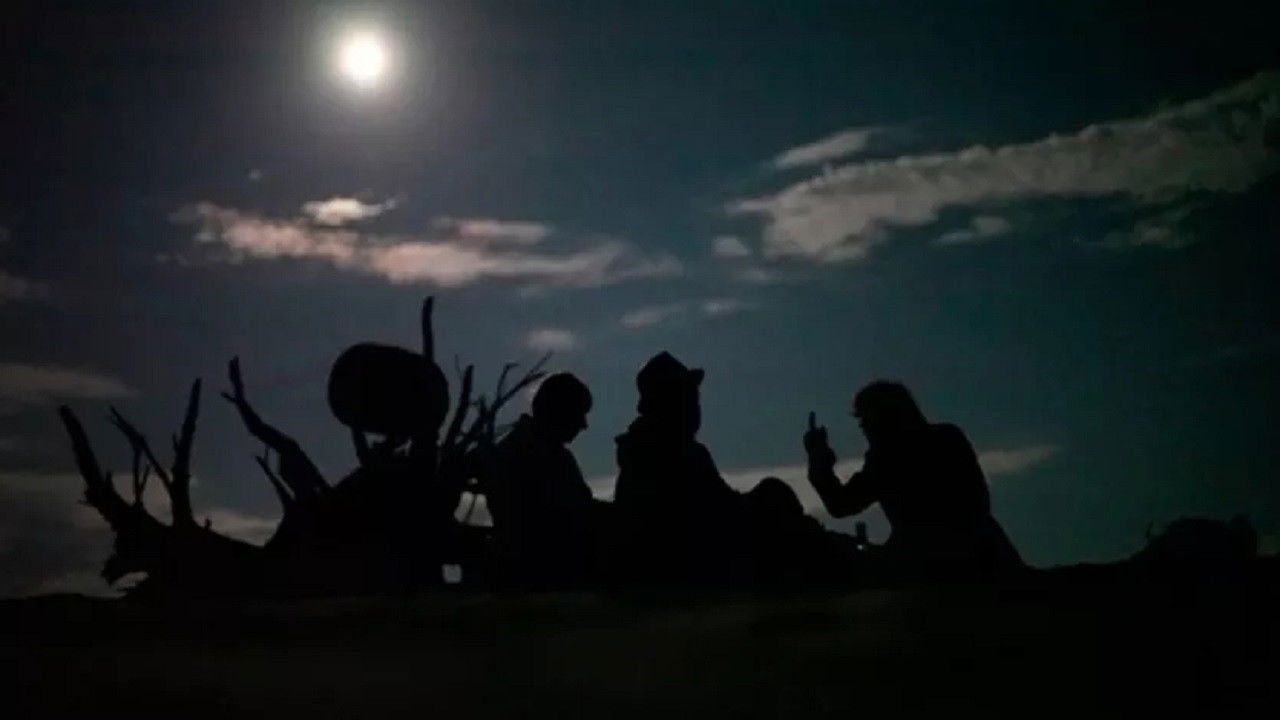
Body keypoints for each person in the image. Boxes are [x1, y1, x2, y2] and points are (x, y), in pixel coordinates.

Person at [614, 352, 820, 584]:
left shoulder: (665, 450)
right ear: (668, 403)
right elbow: (717, 515)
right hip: (686, 568)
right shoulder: (667, 454)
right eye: (688, 399)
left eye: (694, 399)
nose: (695, 408)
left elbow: (723, 504)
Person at [804, 381, 1024, 581]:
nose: (863, 428)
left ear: (886, 415)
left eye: (866, 419)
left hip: (938, 565)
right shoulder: (947, 437)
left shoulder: (888, 458)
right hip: (985, 554)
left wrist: (819, 460)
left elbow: (841, 505)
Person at [483, 373, 600, 587]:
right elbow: (561, 515)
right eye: (578, 414)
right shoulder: (524, 453)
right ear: (559, 412)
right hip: (537, 573)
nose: (583, 425)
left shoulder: (552, 453)